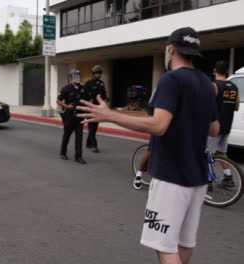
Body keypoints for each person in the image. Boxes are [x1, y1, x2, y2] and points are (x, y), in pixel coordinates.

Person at [77, 27, 219, 264]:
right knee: (183, 243)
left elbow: (158, 125)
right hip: (198, 177)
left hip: (172, 176)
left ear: (171, 50)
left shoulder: (171, 79)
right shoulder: (206, 83)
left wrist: (111, 116)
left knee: (164, 247)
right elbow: (214, 129)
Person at [207, 60, 240, 188]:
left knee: (206, 153)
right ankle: (228, 178)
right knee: (221, 153)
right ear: (227, 71)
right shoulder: (234, 87)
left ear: (214, 70)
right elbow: (236, 107)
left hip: (214, 126)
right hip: (227, 125)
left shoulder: (214, 86)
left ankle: (208, 181)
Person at [57, 69, 89, 164]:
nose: (77, 78)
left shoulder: (83, 88)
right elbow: (58, 101)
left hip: (79, 116)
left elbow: (88, 99)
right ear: (71, 78)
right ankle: (63, 153)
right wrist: (67, 106)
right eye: (75, 77)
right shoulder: (66, 88)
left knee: (79, 136)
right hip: (69, 116)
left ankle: (78, 157)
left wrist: (87, 107)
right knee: (67, 135)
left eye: (78, 77)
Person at [84, 65, 107, 153]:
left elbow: (104, 94)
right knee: (91, 127)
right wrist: (89, 100)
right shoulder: (88, 83)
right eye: (97, 73)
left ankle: (88, 143)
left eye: (100, 73)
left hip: (98, 109)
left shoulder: (102, 83)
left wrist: (105, 99)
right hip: (90, 108)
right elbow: (84, 94)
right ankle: (94, 145)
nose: (99, 75)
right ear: (93, 74)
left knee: (94, 127)